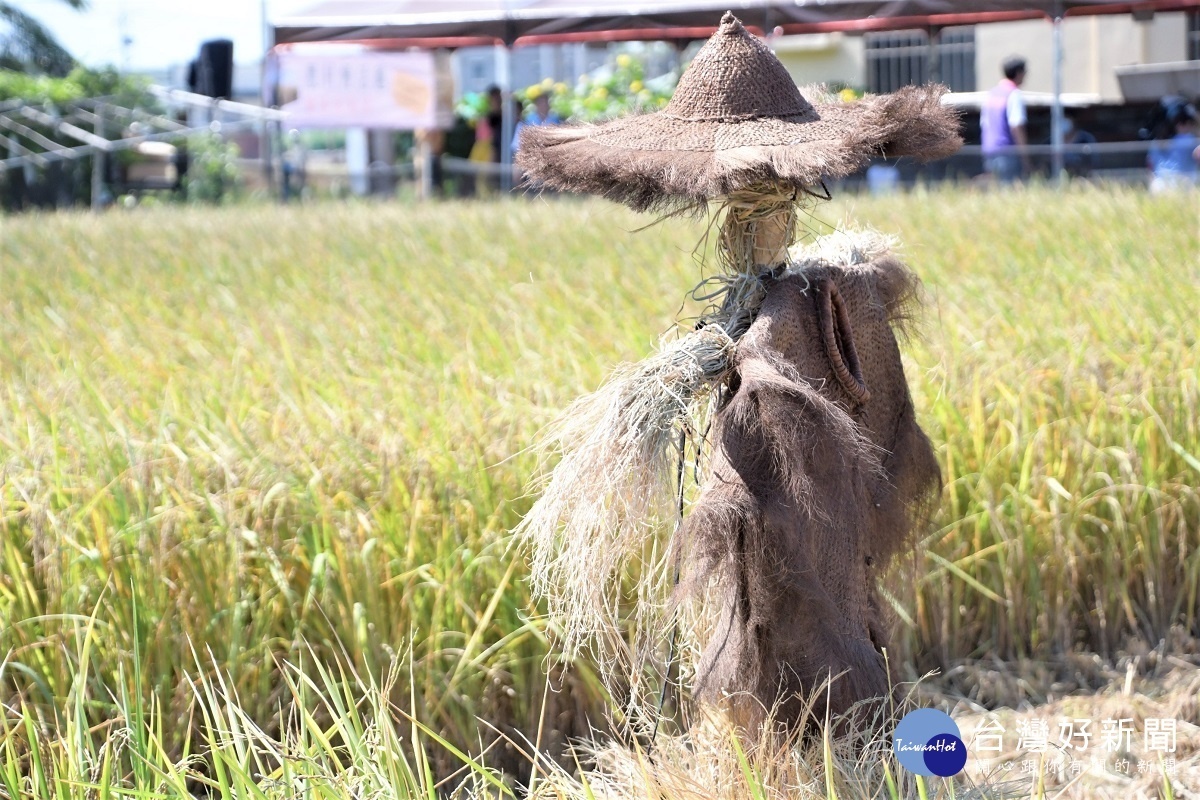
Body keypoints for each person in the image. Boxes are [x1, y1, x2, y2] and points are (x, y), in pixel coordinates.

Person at [981, 55, 1030, 183]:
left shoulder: (991, 94)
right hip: (1008, 152)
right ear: (1019, 73)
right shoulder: (1014, 94)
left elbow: (984, 124)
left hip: (989, 150)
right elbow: (1016, 125)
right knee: (1009, 191)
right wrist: (1025, 156)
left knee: (994, 191)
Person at [1147, 100, 1200, 193]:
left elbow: (1150, 167)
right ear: (1181, 125)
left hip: (1159, 185)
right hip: (1183, 184)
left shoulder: (1156, 142)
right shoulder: (1190, 139)